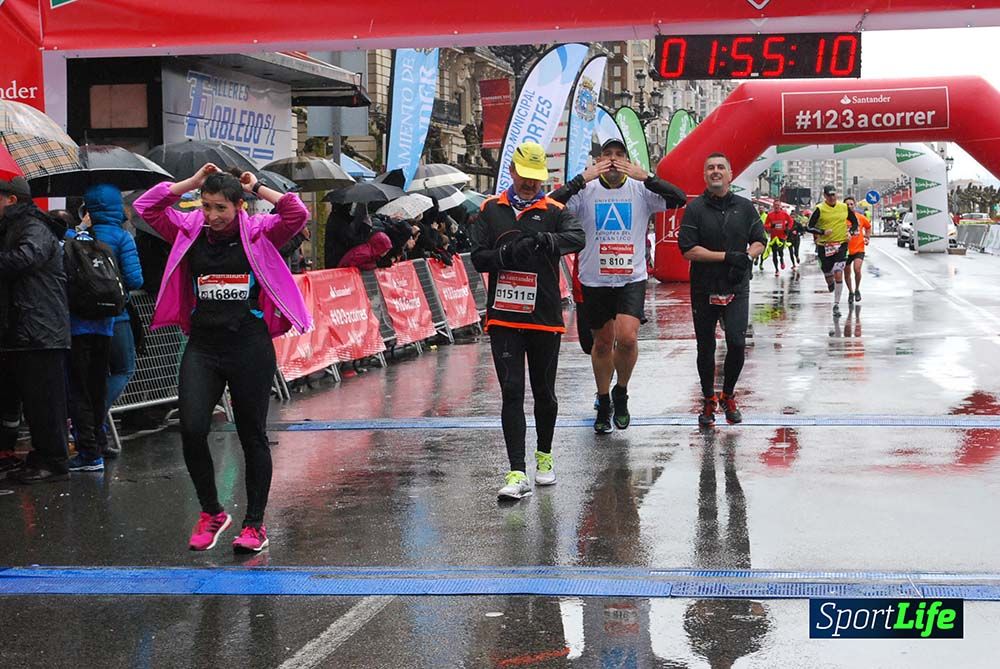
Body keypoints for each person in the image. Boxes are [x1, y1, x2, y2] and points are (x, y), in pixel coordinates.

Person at [134, 164, 311, 552]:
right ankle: (212, 512)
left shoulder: (259, 231)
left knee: (252, 435)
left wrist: (257, 186)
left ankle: (254, 526)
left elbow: (297, 213)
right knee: (192, 428)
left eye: (220, 208)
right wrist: (191, 183)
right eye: (206, 205)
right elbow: (146, 207)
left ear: (239, 206)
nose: (211, 216)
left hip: (249, 346)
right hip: (203, 346)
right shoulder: (189, 228)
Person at [471, 141, 584, 500]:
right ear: (512, 171)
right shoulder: (491, 210)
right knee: (511, 390)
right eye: (525, 176)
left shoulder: (554, 209)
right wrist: (505, 253)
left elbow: (577, 237)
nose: (530, 184)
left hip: (544, 317)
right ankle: (517, 471)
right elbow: (478, 257)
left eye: (536, 178)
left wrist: (547, 240)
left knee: (544, 392)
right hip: (504, 317)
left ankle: (544, 457)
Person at [551, 138, 685, 433]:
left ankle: (621, 392)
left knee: (627, 338)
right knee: (601, 343)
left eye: (619, 155)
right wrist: (581, 179)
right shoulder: (586, 190)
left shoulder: (641, 189)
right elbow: (550, 205)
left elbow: (679, 198)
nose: (613, 160)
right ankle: (603, 400)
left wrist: (647, 177)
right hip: (594, 279)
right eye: (607, 155)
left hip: (630, 278)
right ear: (599, 160)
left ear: (627, 160)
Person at [678, 153, 766, 427]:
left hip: (736, 285)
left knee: (737, 343)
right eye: (710, 168)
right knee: (706, 346)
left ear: (730, 174)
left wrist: (747, 256)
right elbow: (688, 250)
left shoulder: (745, 207)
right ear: (704, 175)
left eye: (720, 168)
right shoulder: (695, 209)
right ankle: (708, 399)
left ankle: (728, 395)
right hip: (704, 287)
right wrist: (728, 257)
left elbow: (760, 240)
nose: (715, 171)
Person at [0, 176, 71, 483]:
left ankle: (53, 460)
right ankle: (41, 456)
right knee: (31, 400)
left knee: (44, 402)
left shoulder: (33, 226)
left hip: (39, 330)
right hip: (23, 330)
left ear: (11, 200)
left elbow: (25, 258)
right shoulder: (14, 227)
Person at [80, 185, 144, 460]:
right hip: (116, 316)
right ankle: (94, 419)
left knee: (91, 377)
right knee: (124, 369)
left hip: (81, 319)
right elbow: (135, 280)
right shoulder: (122, 237)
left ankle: (93, 431)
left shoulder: (77, 236)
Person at [808, 185, 859, 319]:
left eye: (833, 195)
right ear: (825, 196)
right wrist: (822, 232)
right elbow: (809, 227)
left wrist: (850, 232)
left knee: (838, 272)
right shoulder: (819, 209)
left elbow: (855, 222)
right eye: (829, 195)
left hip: (841, 244)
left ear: (837, 195)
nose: (832, 198)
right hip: (824, 246)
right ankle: (830, 282)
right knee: (828, 273)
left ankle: (836, 305)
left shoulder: (844, 207)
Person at [842, 196, 872, 305]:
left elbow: (868, 227)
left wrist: (867, 237)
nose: (849, 206)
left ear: (854, 205)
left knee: (857, 269)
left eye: (851, 204)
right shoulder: (841, 219)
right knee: (847, 273)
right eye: (847, 204)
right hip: (845, 250)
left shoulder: (860, 217)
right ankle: (850, 292)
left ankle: (857, 289)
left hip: (859, 248)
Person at [763, 200, 793, 276]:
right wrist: (770, 227)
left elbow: (791, 221)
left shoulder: (784, 214)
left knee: (780, 250)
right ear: (773, 206)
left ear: (780, 206)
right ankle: (776, 270)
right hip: (773, 237)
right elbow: (765, 225)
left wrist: (788, 228)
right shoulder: (770, 215)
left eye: (778, 205)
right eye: (775, 205)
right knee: (774, 254)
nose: (776, 206)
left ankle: (782, 260)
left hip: (782, 236)